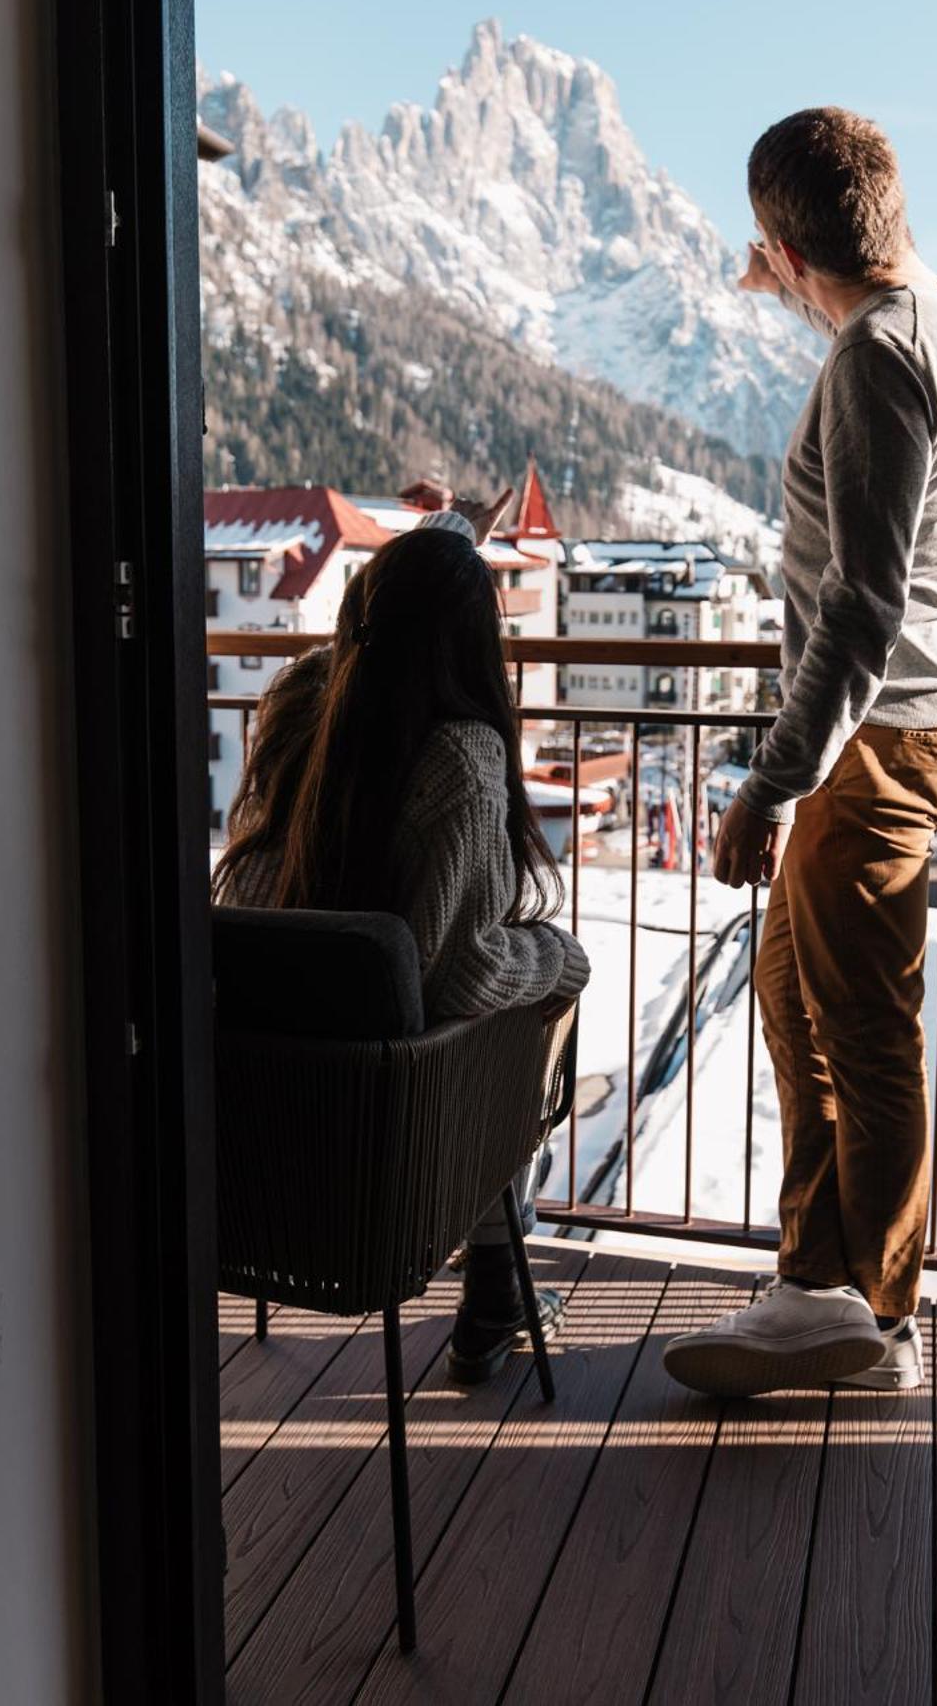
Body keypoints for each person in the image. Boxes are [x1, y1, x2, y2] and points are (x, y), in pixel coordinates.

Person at [663, 109, 937, 1399]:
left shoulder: (878, 358)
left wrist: (771, 779)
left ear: (780, 241)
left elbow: (861, 606)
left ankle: (875, 1315)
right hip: (926, 717)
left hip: (874, 738)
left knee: (863, 1028)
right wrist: (793, 271)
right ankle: (815, 1278)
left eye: (766, 257)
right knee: (789, 987)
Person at [213, 494, 590, 1384]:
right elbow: (463, 972)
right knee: (534, 995)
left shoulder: (309, 708)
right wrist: (561, 957)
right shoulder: (461, 755)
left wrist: (439, 547)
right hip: (388, 1175)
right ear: (471, 642)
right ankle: (496, 1281)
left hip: (266, 1158)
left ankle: (498, 1283)